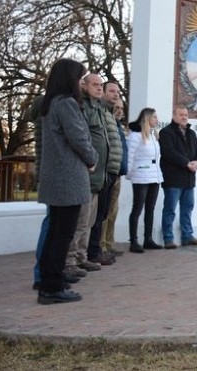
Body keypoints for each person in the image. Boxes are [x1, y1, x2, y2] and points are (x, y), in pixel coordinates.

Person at [37, 58, 98, 304]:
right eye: (79, 79)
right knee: (63, 234)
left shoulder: (50, 103)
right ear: (69, 79)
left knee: (54, 232)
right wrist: (92, 158)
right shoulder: (67, 104)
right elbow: (79, 138)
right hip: (68, 177)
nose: (81, 84)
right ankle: (53, 287)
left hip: (56, 177)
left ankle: (48, 280)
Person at [65, 73, 110, 277]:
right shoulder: (82, 106)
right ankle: (70, 260)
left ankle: (82, 257)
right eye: (95, 85)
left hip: (97, 176)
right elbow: (81, 137)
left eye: (101, 85)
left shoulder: (99, 107)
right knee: (80, 222)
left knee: (89, 222)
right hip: (86, 173)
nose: (99, 88)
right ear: (83, 86)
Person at [86, 80, 124, 266]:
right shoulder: (97, 110)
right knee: (94, 216)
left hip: (111, 171)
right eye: (111, 90)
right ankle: (92, 251)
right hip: (102, 171)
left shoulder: (109, 114)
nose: (115, 94)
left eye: (117, 91)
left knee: (102, 214)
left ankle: (95, 250)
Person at [159, 105, 197, 247]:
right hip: (173, 178)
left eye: (186, 114)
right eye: (181, 114)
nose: (184, 117)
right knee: (170, 209)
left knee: (187, 208)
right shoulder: (166, 132)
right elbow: (168, 152)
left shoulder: (191, 133)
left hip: (189, 179)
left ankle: (187, 236)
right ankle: (168, 238)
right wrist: (186, 163)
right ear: (174, 116)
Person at [126, 108, 164, 253]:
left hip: (154, 175)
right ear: (147, 118)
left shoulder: (154, 136)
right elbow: (130, 156)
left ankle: (148, 239)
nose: (156, 120)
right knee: (137, 208)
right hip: (140, 175)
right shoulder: (135, 136)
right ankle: (133, 241)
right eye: (154, 117)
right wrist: (129, 174)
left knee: (150, 209)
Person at [101, 99, 128, 256]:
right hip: (109, 172)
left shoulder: (119, 127)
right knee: (105, 212)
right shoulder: (108, 124)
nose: (119, 110)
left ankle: (109, 243)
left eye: (121, 108)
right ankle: (102, 245)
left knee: (113, 212)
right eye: (116, 108)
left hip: (118, 173)